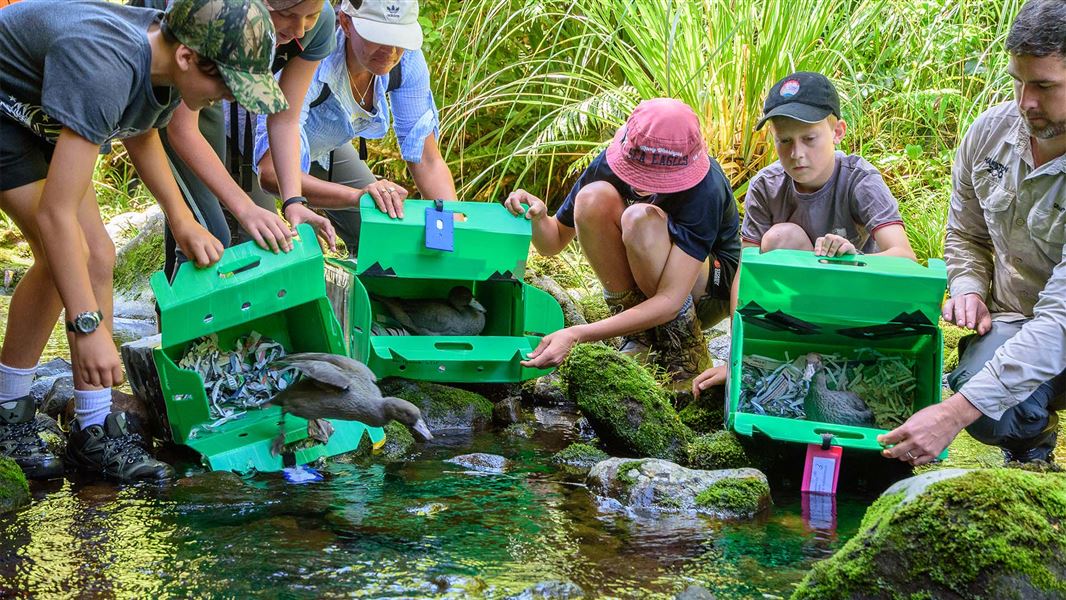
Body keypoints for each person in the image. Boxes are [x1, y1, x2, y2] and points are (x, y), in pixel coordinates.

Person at [0, 0, 285, 480]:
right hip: (6, 112)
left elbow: (142, 131)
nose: (223, 99)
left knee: (99, 259)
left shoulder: (165, 59)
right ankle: (7, 411)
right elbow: (55, 215)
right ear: (189, 58)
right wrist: (88, 329)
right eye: (224, 83)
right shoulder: (105, 67)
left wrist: (181, 218)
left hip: (43, 112)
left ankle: (93, 431)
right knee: (63, 251)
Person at [879, 0, 1066, 465]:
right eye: (1018, 81)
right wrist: (969, 287)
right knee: (989, 407)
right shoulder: (990, 134)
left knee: (970, 405)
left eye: (1043, 86)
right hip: (1015, 317)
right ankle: (1030, 443)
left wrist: (950, 416)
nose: (1026, 101)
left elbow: (1060, 322)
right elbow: (966, 231)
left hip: (1059, 324)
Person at [691, 71, 916, 396]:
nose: (796, 153)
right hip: (790, 317)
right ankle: (779, 355)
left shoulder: (859, 180)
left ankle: (833, 359)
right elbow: (747, 272)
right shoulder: (766, 186)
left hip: (848, 311)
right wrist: (736, 356)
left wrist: (852, 259)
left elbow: (905, 258)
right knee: (781, 239)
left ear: (837, 131)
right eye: (784, 140)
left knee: (782, 238)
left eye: (809, 139)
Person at [505, 98, 742, 384]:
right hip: (651, 284)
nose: (641, 183)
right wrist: (538, 215)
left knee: (639, 218)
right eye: (636, 169)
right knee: (593, 197)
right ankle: (640, 340)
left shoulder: (706, 185)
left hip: (705, 292)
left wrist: (577, 334)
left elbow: (669, 300)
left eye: (655, 177)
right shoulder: (608, 163)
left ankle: (683, 349)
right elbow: (551, 243)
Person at [133, 0, 340, 279]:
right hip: (182, 70)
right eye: (287, 15)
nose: (299, 30)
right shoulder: (218, 11)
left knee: (214, 230)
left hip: (215, 78)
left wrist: (293, 201)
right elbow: (182, 129)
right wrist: (245, 209)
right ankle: (176, 318)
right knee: (210, 232)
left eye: (311, 16)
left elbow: (285, 118)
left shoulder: (320, 24)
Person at [252, 0, 455, 255]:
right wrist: (356, 197)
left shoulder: (408, 60)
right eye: (377, 37)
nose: (390, 51)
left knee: (380, 234)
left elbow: (427, 159)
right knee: (266, 244)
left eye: (399, 38)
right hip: (250, 143)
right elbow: (270, 171)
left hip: (324, 145)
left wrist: (450, 230)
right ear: (347, 24)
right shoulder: (319, 53)